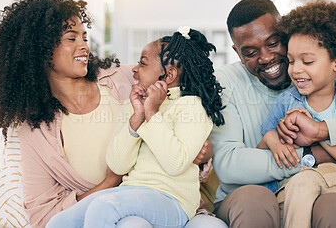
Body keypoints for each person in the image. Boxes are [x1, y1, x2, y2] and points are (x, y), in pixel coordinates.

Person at [0, 0, 225, 228]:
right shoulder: (36, 132)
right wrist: (110, 182)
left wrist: (205, 154)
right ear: (40, 49)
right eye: (71, 38)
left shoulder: (129, 80)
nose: (84, 45)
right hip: (117, 205)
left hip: (166, 202)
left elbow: (184, 127)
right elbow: (45, 218)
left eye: (84, 37)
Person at [210, 0, 336, 228]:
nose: (266, 57)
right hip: (250, 195)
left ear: (286, 35)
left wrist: (321, 131)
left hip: (321, 189)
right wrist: (311, 156)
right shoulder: (226, 81)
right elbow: (229, 164)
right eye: (251, 52)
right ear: (237, 52)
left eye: (273, 43)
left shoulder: (334, 79)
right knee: (255, 201)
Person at [46, 27, 225, 228]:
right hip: (131, 194)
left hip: (173, 201)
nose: (134, 69)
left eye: (143, 63)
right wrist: (136, 119)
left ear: (169, 75)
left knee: (103, 206)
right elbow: (118, 165)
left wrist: (152, 114)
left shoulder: (192, 107)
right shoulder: (134, 106)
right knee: (58, 222)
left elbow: (175, 163)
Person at [259, 0, 336, 228]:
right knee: (297, 187)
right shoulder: (286, 101)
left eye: (308, 61)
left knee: (304, 183)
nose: (295, 70)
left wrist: (318, 134)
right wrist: (275, 141)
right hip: (294, 184)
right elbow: (263, 142)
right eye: (291, 61)